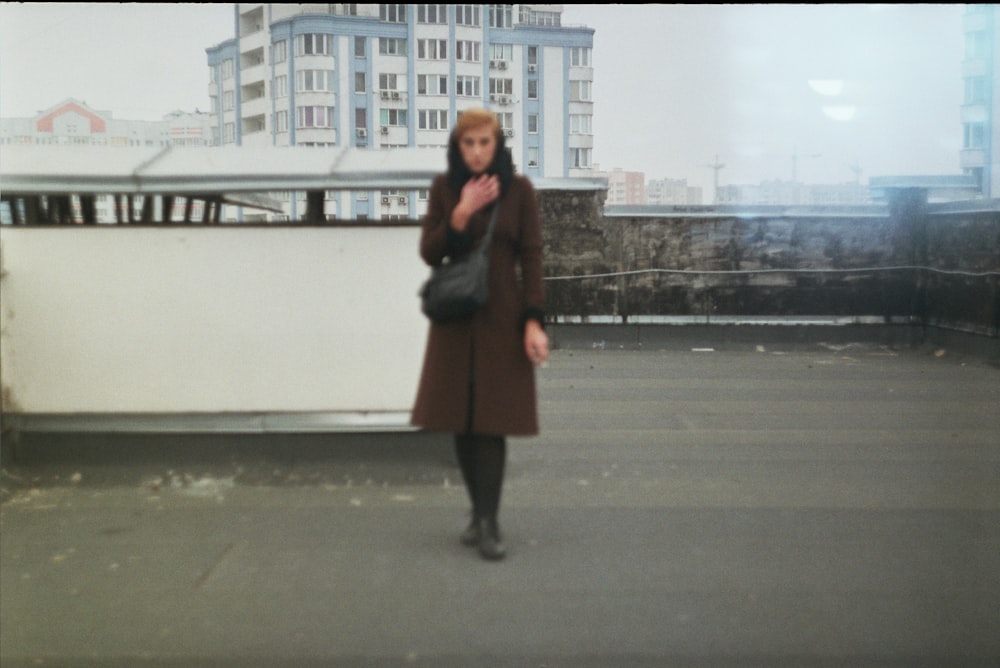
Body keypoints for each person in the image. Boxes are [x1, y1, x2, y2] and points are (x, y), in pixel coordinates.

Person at [411, 108, 549, 561]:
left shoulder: (520, 191)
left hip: (502, 319)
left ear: (498, 144)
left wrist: (534, 320)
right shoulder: (444, 188)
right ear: (457, 146)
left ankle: (490, 523)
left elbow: (531, 257)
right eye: (467, 144)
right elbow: (429, 253)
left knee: (491, 424)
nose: (476, 152)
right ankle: (476, 511)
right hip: (455, 321)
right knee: (462, 419)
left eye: (484, 143)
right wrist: (460, 214)